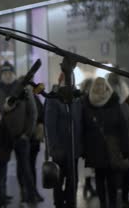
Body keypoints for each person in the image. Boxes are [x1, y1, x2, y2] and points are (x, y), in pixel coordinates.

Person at [0, 61, 39, 205]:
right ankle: (1, 196)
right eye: (5, 73)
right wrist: (3, 108)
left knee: (25, 168)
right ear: (1, 75)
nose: (7, 76)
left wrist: (27, 133)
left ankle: (29, 195)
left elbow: (32, 112)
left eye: (10, 73)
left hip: (21, 136)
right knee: (1, 169)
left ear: (14, 74)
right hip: (2, 137)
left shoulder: (23, 89)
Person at [82, 77, 129, 208]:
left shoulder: (114, 103)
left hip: (111, 148)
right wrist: (84, 149)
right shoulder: (86, 104)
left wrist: (125, 149)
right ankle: (103, 203)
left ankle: (113, 204)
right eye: (96, 85)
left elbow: (123, 128)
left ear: (106, 87)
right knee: (99, 178)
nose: (99, 87)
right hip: (95, 148)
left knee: (112, 179)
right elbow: (83, 129)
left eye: (102, 85)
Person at [45, 73, 83, 208]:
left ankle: (71, 203)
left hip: (74, 147)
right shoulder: (54, 98)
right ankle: (59, 204)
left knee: (73, 180)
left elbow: (80, 121)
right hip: (60, 148)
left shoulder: (76, 98)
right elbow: (50, 125)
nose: (68, 83)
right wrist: (53, 147)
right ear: (60, 81)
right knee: (59, 179)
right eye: (65, 80)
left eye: (70, 80)